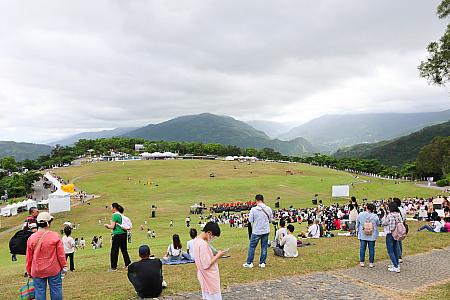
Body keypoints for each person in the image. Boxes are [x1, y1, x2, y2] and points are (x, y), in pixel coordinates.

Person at [26, 212, 67, 300]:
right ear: (48, 223)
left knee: (39, 292)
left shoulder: (31, 238)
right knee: (56, 289)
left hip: (37, 270)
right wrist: (64, 266)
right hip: (53, 269)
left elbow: (29, 257)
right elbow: (61, 254)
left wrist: (29, 270)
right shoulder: (55, 236)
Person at [193, 222, 227, 300]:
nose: (213, 238)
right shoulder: (203, 244)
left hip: (203, 275)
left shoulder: (196, 241)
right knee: (214, 296)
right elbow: (206, 264)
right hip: (209, 276)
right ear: (209, 232)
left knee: (207, 296)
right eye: (213, 236)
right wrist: (218, 255)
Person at [243, 194, 273, 268]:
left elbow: (250, 220)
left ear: (256, 200)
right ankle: (262, 262)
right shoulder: (268, 209)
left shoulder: (253, 209)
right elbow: (271, 220)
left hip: (256, 231)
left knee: (252, 246)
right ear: (263, 200)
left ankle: (249, 262)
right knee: (264, 247)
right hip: (265, 230)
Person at [104, 203, 131, 271]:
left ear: (114, 208)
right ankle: (128, 263)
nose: (111, 209)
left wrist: (107, 226)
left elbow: (112, 226)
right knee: (124, 250)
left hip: (118, 234)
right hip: (124, 233)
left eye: (111, 207)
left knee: (114, 250)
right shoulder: (121, 214)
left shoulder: (115, 215)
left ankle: (113, 267)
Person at [356, 203, 380, 268]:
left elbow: (357, 223)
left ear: (366, 208)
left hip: (363, 233)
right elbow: (378, 224)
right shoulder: (375, 216)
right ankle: (371, 263)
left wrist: (357, 229)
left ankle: (362, 262)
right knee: (371, 248)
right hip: (372, 234)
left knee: (362, 248)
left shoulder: (361, 214)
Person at [381, 202, 403, 273]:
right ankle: (396, 264)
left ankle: (396, 267)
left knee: (390, 250)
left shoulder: (390, 215)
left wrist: (384, 215)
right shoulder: (398, 214)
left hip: (390, 233)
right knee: (395, 249)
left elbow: (384, 223)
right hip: (397, 234)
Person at [393, 198, 406, 263]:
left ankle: (399, 256)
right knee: (399, 241)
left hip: (397, 226)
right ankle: (400, 254)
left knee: (396, 241)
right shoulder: (403, 209)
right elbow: (404, 219)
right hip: (402, 226)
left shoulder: (396, 210)